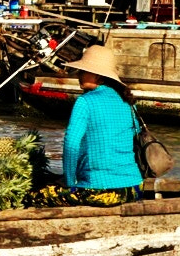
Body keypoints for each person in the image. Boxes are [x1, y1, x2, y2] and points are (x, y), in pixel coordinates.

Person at [60, 45, 142, 206]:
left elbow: (71, 145)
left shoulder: (85, 102)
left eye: (83, 71)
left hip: (101, 189)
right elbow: (134, 134)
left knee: (36, 196)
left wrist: (70, 183)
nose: (79, 74)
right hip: (135, 187)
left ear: (98, 76)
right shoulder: (128, 102)